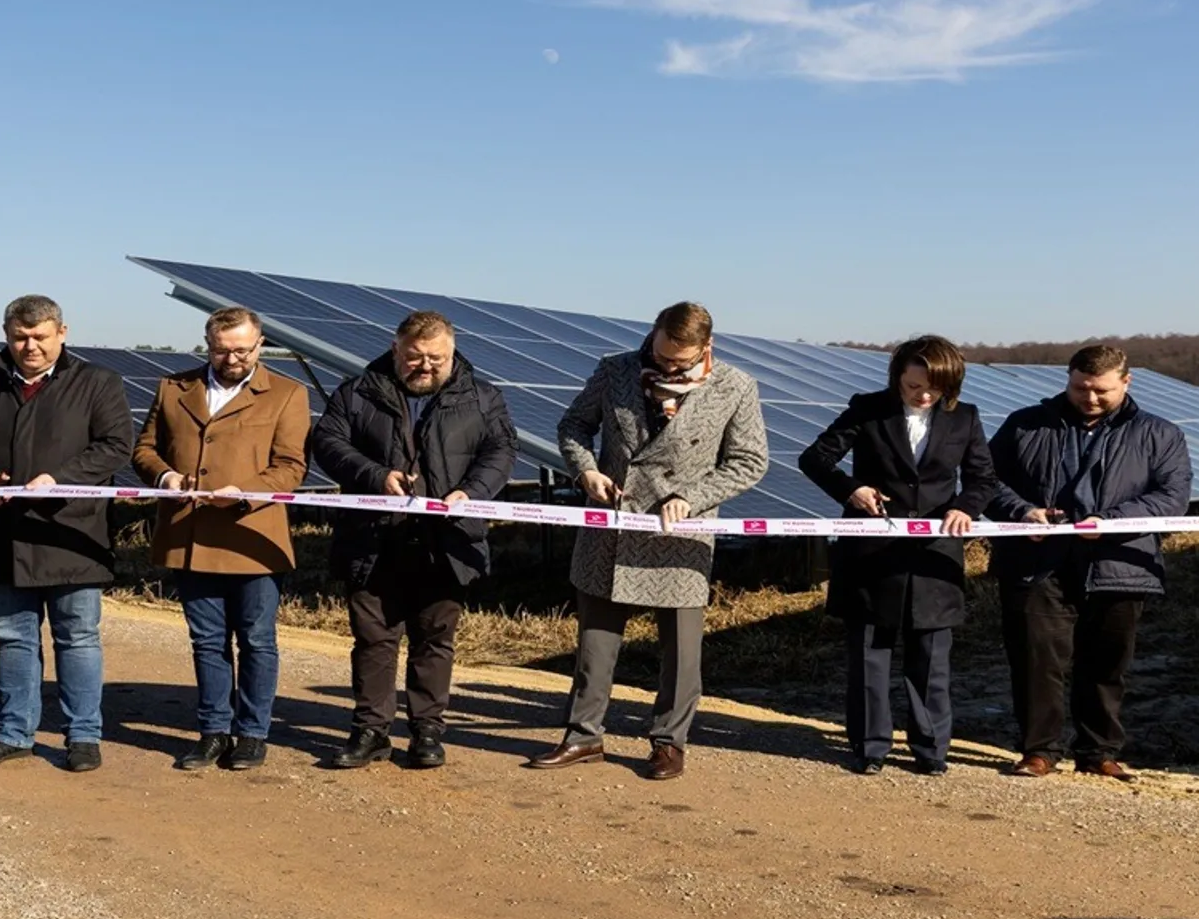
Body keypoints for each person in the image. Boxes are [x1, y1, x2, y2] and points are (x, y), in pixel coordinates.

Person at [529, 302, 767, 781]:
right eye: (659, 355)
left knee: (681, 653)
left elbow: (750, 461)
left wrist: (691, 497)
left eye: (679, 362)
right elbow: (573, 426)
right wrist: (587, 470)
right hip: (611, 531)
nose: (665, 366)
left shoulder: (735, 386)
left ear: (707, 349)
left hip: (680, 537)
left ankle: (668, 743)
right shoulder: (615, 370)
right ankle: (583, 736)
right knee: (595, 645)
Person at [0, 295, 133, 774]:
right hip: (4, 535)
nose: (31, 346)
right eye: (21, 337)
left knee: (77, 638)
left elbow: (115, 445)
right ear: (6, 335)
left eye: (41, 336)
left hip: (72, 536)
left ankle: (83, 735)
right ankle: (13, 732)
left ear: (62, 333)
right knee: (13, 639)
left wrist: (59, 478)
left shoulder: (96, 383)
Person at [310, 310, 517, 770]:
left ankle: (426, 731)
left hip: (447, 543)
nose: (424, 367)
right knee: (373, 640)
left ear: (452, 351)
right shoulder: (357, 392)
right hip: (371, 541)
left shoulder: (483, 398)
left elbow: (501, 451)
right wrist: (377, 477)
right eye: (415, 357)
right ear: (395, 348)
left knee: (434, 640)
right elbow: (327, 443)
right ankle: (370, 731)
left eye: (436, 359)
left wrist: (473, 492)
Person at [986, 344, 1192, 782]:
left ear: (1126, 381)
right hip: (1037, 560)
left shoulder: (1159, 434)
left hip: (1119, 560)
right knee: (1037, 658)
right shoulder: (1024, 425)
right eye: (1080, 387)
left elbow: (1172, 497)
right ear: (1068, 378)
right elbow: (986, 481)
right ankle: (1038, 750)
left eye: (1101, 390)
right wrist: (1022, 512)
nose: (1090, 398)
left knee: (1107, 661)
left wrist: (1112, 522)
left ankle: (1098, 751)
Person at [798, 336, 998, 776]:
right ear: (897, 378)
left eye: (935, 389)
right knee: (870, 657)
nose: (924, 395)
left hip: (935, 559)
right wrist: (852, 489)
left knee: (931, 663)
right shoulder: (867, 408)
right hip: (871, 555)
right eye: (914, 387)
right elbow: (814, 459)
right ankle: (870, 748)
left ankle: (931, 752)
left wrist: (965, 507)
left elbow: (984, 479)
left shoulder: (966, 418)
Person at [132, 307, 311, 772]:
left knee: (256, 639)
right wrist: (165, 475)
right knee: (207, 641)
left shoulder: (287, 394)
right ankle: (213, 731)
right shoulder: (174, 388)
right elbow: (144, 449)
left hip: (252, 536)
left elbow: (291, 466)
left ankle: (252, 733)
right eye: (220, 349)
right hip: (189, 535)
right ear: (207, 344)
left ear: (260, 343)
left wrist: (248, 492)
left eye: (242, 349)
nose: (231, 358)